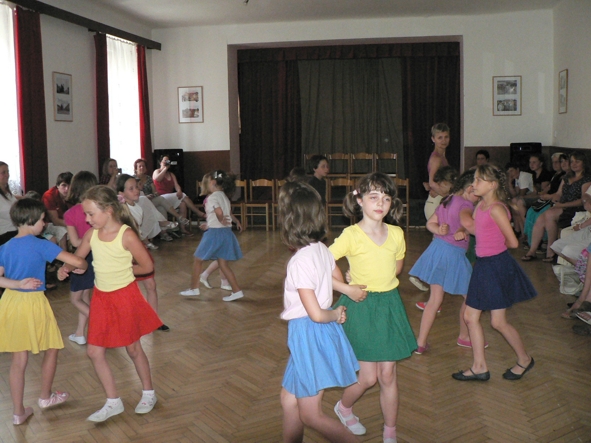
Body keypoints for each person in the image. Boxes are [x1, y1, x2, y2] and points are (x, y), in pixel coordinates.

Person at [58, 185, 162, 422]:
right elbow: (78, 258)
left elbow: (147, 266)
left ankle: (149, 393)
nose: (87, 219)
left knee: (133, 349)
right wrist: (66, 267)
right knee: (94, 351)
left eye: (91, 214)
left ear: (108, 210)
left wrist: (124, 269)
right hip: (101, 298)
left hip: (125, 297)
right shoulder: (91, 234)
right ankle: (113, 401)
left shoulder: (126, 235)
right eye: (86, 214)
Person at [330, 172, 416, 443]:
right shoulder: (351, 235)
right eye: (374, 197)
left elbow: (396, 267)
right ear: (360, 200)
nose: (380, 203)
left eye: (386, 198)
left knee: (388, 373)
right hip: (362, 306)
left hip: (389, 306)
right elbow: (321, 263)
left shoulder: (397, 233)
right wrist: (346, 286)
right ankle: (343, 407)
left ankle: (390, 432)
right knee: (368, 378)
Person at [277, 181, 363, 443]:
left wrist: (335, 315)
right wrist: (343, 296)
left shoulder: (299, 261)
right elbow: (336, 279)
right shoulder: (322, 249)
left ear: (288, 220)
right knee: (289, 400)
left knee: (311, 415)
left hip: (309, 333)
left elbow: (314, 313)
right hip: (318, 331)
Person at [0, 198, 87, 425]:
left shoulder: (5, 246)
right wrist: (72, 268)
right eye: (41, 220)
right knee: (53, 347)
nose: (44, 223)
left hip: (10, 303)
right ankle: (45, 397)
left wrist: (17, 284)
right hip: (34, 303)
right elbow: (79, 261)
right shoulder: (41, 244)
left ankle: (18, 412)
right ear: (31, 220)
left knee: (19, 359)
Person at [453, 165, 537, 382]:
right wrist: (463, 230)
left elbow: (513, 242)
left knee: (494, 321)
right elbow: (479, 229)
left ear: (492, 185)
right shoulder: (481, 205)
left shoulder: (497, 209)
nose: (474, 184)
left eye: (478, 180)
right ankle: (480, 366)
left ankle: (523, 359)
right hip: (485, 265)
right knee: (476, 318)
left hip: (496, 265)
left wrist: (494, 249)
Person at [409, 170, 480, 354]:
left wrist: (439, 230)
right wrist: (466, 229)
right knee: (471, 297)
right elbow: (468, 222)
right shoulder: (466, 204)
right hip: (452, 254)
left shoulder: (448, 200)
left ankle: (420, 342)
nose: (478, 197)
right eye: (477, 192)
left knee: (434, 300)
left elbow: (430, 223)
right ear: (469, 189)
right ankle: (464, 336)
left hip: (437, 250)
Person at [179, 170, 245, 302]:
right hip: (226, 233)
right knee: (223, 264)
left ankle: (194, 288)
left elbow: (219, 212)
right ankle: (237, 291)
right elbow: (226, 213)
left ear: (213, 183)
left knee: (198, 259)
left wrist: (219, 220)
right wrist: (234, 221)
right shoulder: (224, 196)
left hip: (215, 233)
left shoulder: (212, 197)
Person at [116, 174, 170, 331]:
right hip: (126, 252)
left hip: (138, 250)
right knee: (126, 289)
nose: (136, 190)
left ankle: (154, 320)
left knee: (151, 284)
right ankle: (125, 320)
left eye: (136, 187)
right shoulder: (119, 211)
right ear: (121, 193)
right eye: (131, 188)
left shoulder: (138, 207)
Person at [523, 151, 591, 262]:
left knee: (549, 214)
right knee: (541, 218)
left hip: (575, 208)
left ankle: (550, 252)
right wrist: (553, 198)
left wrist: (562, 205)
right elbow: (559, 193)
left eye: (577, 162)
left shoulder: (586, 179)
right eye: (572, 162)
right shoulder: (566, 177)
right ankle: (532, 250)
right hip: (561, 205)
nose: (574, 164)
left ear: (584, 163)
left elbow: (582, 201)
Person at [63, 171, 98, 345]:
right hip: (97, 256)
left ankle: (102, 323)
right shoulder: (97, 211)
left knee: (75, 299)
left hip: (81, 258)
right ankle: (79, 333)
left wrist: (84, 242)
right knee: (84, 296)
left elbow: (76, 242)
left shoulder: (70, 213)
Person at [410, 165, 458, 293]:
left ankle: (425, 276)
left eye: (440, 184)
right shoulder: (448, 200)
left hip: (447, 236)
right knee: (436, 252)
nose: (438, 187)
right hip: (443, 234)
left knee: (436, 252)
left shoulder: (453, 199)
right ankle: (422, 276)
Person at [134, 158, 189, 236]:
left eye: (143, 166)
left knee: (161, 207)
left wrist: (153, 195)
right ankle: (178, 217)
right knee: (161, 200)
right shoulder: (133, 179)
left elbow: (155, 191)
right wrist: (146, 196)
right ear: (136, 168)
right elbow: (134, 193)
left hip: (151, 200)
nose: (142, 168)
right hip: (139, 201)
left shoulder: (148, 178)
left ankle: (164, 233)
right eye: (140, 166)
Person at [523, 152, 566, 246]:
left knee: (539, 214)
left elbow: (559, 194)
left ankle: (542, 240)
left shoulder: (563, 176)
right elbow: (547, 189)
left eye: (558, 162)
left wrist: (546, 196)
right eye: (553, 162)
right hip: (547, 198)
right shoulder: (555, 175)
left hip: (554, 201)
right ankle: (530, 239)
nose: (555, 164)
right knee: (531, 211)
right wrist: (541, 194)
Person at [152, 155, 205, 232]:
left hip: (169, 199)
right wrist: (165, 168)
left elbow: (176, 185)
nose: (166, 162)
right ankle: (198, 212)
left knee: (183, 204)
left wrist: (179, 191)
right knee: (183, 195)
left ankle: (182, 228)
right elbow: (158, 179)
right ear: (160, 162)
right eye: (164, 161)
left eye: (168, 161)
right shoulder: (156, 171)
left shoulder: (171, 174)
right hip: (161, 197)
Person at [423, 123, 451, 220]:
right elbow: (432, 182)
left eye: (446, 137)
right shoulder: (436, 158)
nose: (444, 141)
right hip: (436, 202)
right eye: (440, 138)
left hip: (440, 201)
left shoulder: (442, 157)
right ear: (433, 139)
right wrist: (448, 195)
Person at [41, 172, 73, 250]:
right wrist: (75, 224)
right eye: (64, 185)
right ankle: (64, 256)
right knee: (62, 231)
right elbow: (55, 221)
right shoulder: (49, 196)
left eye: (70, 186)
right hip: (47, 224)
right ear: (57, 185)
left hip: (65, 222)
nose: (67, 189)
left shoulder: (73, 195)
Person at [506, 162, 534, 239]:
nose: (510, 174)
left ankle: (527, 231)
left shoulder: (523, 176)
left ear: (517, 169)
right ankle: (521, 231)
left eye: (512, 171)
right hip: (525, 198)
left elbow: (522, 194)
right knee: (513, 201)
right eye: (508, 173)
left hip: (533, 196)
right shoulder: (517, 179)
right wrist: (509, 183)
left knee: (518, 202)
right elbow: (515, 194)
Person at [0, 162, 19, 246]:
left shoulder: (8, 193)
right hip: (5, 234)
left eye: (8, 172)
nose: (7, 175)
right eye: (3, 172)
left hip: (16, 231)